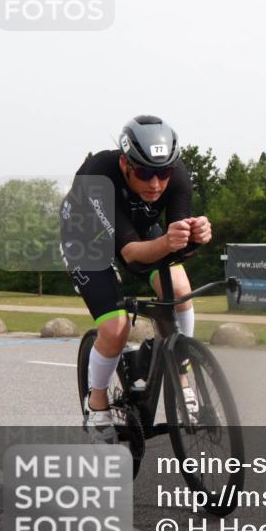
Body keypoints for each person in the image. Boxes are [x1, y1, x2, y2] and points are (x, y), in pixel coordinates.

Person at [59, 115, 212, 443]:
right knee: (115, 328)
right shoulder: (99, 174)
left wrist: (197, 236)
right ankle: (97, 404)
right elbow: (129, 252)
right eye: (144, 172)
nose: (155, 184)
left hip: (138, 230)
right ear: (125, 163)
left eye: (163, 173)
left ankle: (179, 369)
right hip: (87, 237)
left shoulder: (179, 176)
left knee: (181, 290)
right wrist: (170, 242)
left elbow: (176, 244)